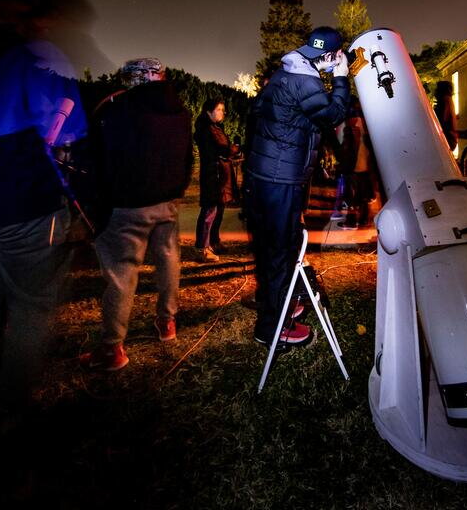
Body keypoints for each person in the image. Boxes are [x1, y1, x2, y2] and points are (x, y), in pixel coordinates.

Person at [0, 0, 88, 406]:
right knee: (31, 306)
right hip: (22, 200)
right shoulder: (36, 57)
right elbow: (69, 123)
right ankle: (9, 411)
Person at [81, 58, 192, 372]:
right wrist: (178, 187)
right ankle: (167, 322)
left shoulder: (117, 110)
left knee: (121, 273)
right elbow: (187, 158)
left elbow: (99, 157)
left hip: (127, 204)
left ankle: (112, 347)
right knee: (169, 258)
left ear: (135, 80)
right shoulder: (181, 112)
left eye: (126, 79)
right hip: (167, 201)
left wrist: (101, 197)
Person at [245, 26, 350, 349]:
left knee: (268, 247)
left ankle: (274, 302)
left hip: (262, 175)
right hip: (281, 178)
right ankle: (273, 326)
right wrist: (343, 78)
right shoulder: (306, 80)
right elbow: (332, 114)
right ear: (331, 56)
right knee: (281, 249)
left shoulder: (285, 72)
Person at [193, 98, 239, 261]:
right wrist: (235, 148)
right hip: (214, 175)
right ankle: (202, 247)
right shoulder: (207, 129)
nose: (223, 112)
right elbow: (224, 148)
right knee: (210, 210)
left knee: (219, 208)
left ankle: (214, 241)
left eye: (222, 109)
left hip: (219, 173)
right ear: (208, 112)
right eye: (219, 109)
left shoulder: (215, 127)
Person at [339, 98, 377, 228]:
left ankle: (353, 219)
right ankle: (363, 219)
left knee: (352, 194)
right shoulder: (367, 123)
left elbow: (347, 147)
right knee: (362, 194)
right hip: (363, 164)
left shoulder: (352, 126)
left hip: (354, 165)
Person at [434, 79, 459, 151]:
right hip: (450, 138)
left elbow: (442, 119)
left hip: (447, 138)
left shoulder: (445, 100)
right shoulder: (449, 100)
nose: (435, 92)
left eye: (437, 89)